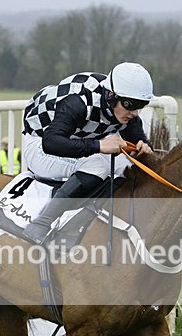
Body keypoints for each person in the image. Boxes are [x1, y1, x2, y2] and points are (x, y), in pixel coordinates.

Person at [20, 62, 155, 245]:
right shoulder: (78, 101)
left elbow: (139, 141)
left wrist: (144, 148)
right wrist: (98, 145)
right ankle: (42, 223)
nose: (134, 112)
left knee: (127, 165)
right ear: (111, 95)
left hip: (71, 141)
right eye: (130, 105)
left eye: (141, 105)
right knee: (98, 163)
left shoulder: (123, 109)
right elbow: (51, 143)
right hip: (40, 143)